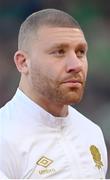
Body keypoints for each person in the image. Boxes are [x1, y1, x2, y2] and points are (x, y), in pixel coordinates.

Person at [0, 8, 108, 179]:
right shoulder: (4, 137)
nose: (76, 65)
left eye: (80, 52)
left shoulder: (91, 132)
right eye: (59, 52)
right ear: (23, 63)